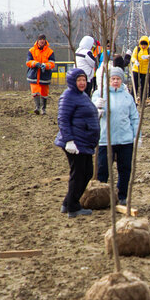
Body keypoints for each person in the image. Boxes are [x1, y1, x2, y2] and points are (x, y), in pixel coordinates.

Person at [54, 69, 100, 218]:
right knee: (79, 174)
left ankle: (67, 203)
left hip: (83, 141)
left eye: (83, 80)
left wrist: (96, 112)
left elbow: (85, 113)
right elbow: (63, 119)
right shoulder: (68, 96)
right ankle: (73, 207)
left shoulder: (82, 95)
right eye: (79, 80)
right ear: (72, 82)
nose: (82, 83)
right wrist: (69, 141)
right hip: (75, 142)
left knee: (86, 172)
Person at [92, 67, 140, 206]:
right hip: (105, 140)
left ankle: (122, 195)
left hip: (125, 139)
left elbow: (134, 117)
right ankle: (101, 196)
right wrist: (96, 108)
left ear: (121, 81)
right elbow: (90, 115)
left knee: (125, 169)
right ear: (108, 80)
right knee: (103, 169)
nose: (115, 81)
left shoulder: (127, 97)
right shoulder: (100, 94)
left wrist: (137, 136)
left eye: (118, 79)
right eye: (113, 79)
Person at [26, 34, 56, 115]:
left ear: (45, 41)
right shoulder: (31, 50)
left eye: (43, 39)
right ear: (38, 41)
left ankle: (43, 109)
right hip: (34, 75)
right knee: (35, 92)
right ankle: (37, 107)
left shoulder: (50, 51)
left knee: (44, 93)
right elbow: (28, 62)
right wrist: (35, 63)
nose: (42, 41)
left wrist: (45, 65)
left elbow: (52, 63)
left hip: (44, 75)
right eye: (40, 39)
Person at [131, 36, 150, 101]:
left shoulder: (149, 50)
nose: (143, 46)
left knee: (144, 86)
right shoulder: (137, 49)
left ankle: (143, 100)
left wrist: (148, 57)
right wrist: (135, 61)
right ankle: (133, 98)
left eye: (145, 45)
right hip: (136, 69)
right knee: (135, 85)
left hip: (145, 71)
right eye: (142, 45)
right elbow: (133, 57)